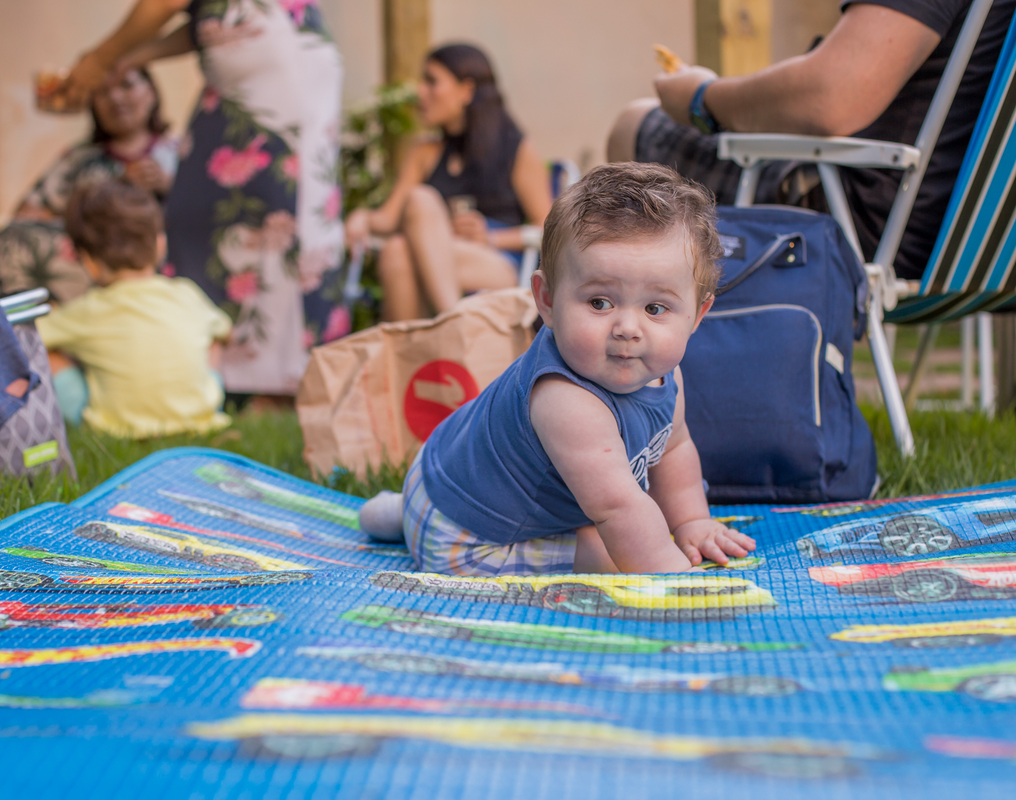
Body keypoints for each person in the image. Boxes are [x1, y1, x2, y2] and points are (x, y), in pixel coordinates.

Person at [360, 163, 756, 575]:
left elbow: (672, 447)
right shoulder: (566, 401)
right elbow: (619, 509)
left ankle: (400, 511)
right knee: (613, 546)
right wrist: (678, 579)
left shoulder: (662, 371)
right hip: (465, 540)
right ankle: (415, 522)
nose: (627, 328)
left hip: (437, 473)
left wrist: (691, 521)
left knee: (627, 521)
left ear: (697, 314)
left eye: (655, 308)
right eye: (600, 302)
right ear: (547, 300)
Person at [59, 0, 349, 405]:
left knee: (267, 215)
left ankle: (271, 381)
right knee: (262, 210)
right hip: (280, 46)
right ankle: (253, 376)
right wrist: (133, 58)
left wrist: (98, 60)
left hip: (269, 61)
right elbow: (205, 15)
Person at [607, 0, 1016, 280]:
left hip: (873, 230)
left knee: (633, 125)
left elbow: (830, 96)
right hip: (1003, 242)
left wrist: (702, 98)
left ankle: (649, 359)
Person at [344, 43, 554, 322]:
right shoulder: (424, 151)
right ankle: (449, 328)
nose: (420, 92)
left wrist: (491, 237)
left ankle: (442, 330)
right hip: (441, 257)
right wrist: (362, 216)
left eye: (431, 82)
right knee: (399, 245)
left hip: (497, 262)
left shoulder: (516, 148)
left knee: (411, 220)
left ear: (466, 90)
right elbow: (388, 217)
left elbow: (549, 229)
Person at [36, 180, 232, 439]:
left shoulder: (90, 309)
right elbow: (226, 331)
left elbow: (32, 337)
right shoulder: (187, 293)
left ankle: (101, 414)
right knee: (214, 338)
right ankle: (203, 402)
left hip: (116, 429)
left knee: (45, 351)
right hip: (199, 419)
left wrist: (53, 313)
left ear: (88, 260)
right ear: (160, 245)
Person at [0, 66, 179, 304]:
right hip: (91, 264)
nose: (115, 98)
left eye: (127, 85)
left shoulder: (182, 152)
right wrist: (108, 194)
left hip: (159, 255)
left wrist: (172, 187)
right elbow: (27, 214)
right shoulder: (78, 159)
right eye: (103, 91)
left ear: (151, 93)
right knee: (15, 236)